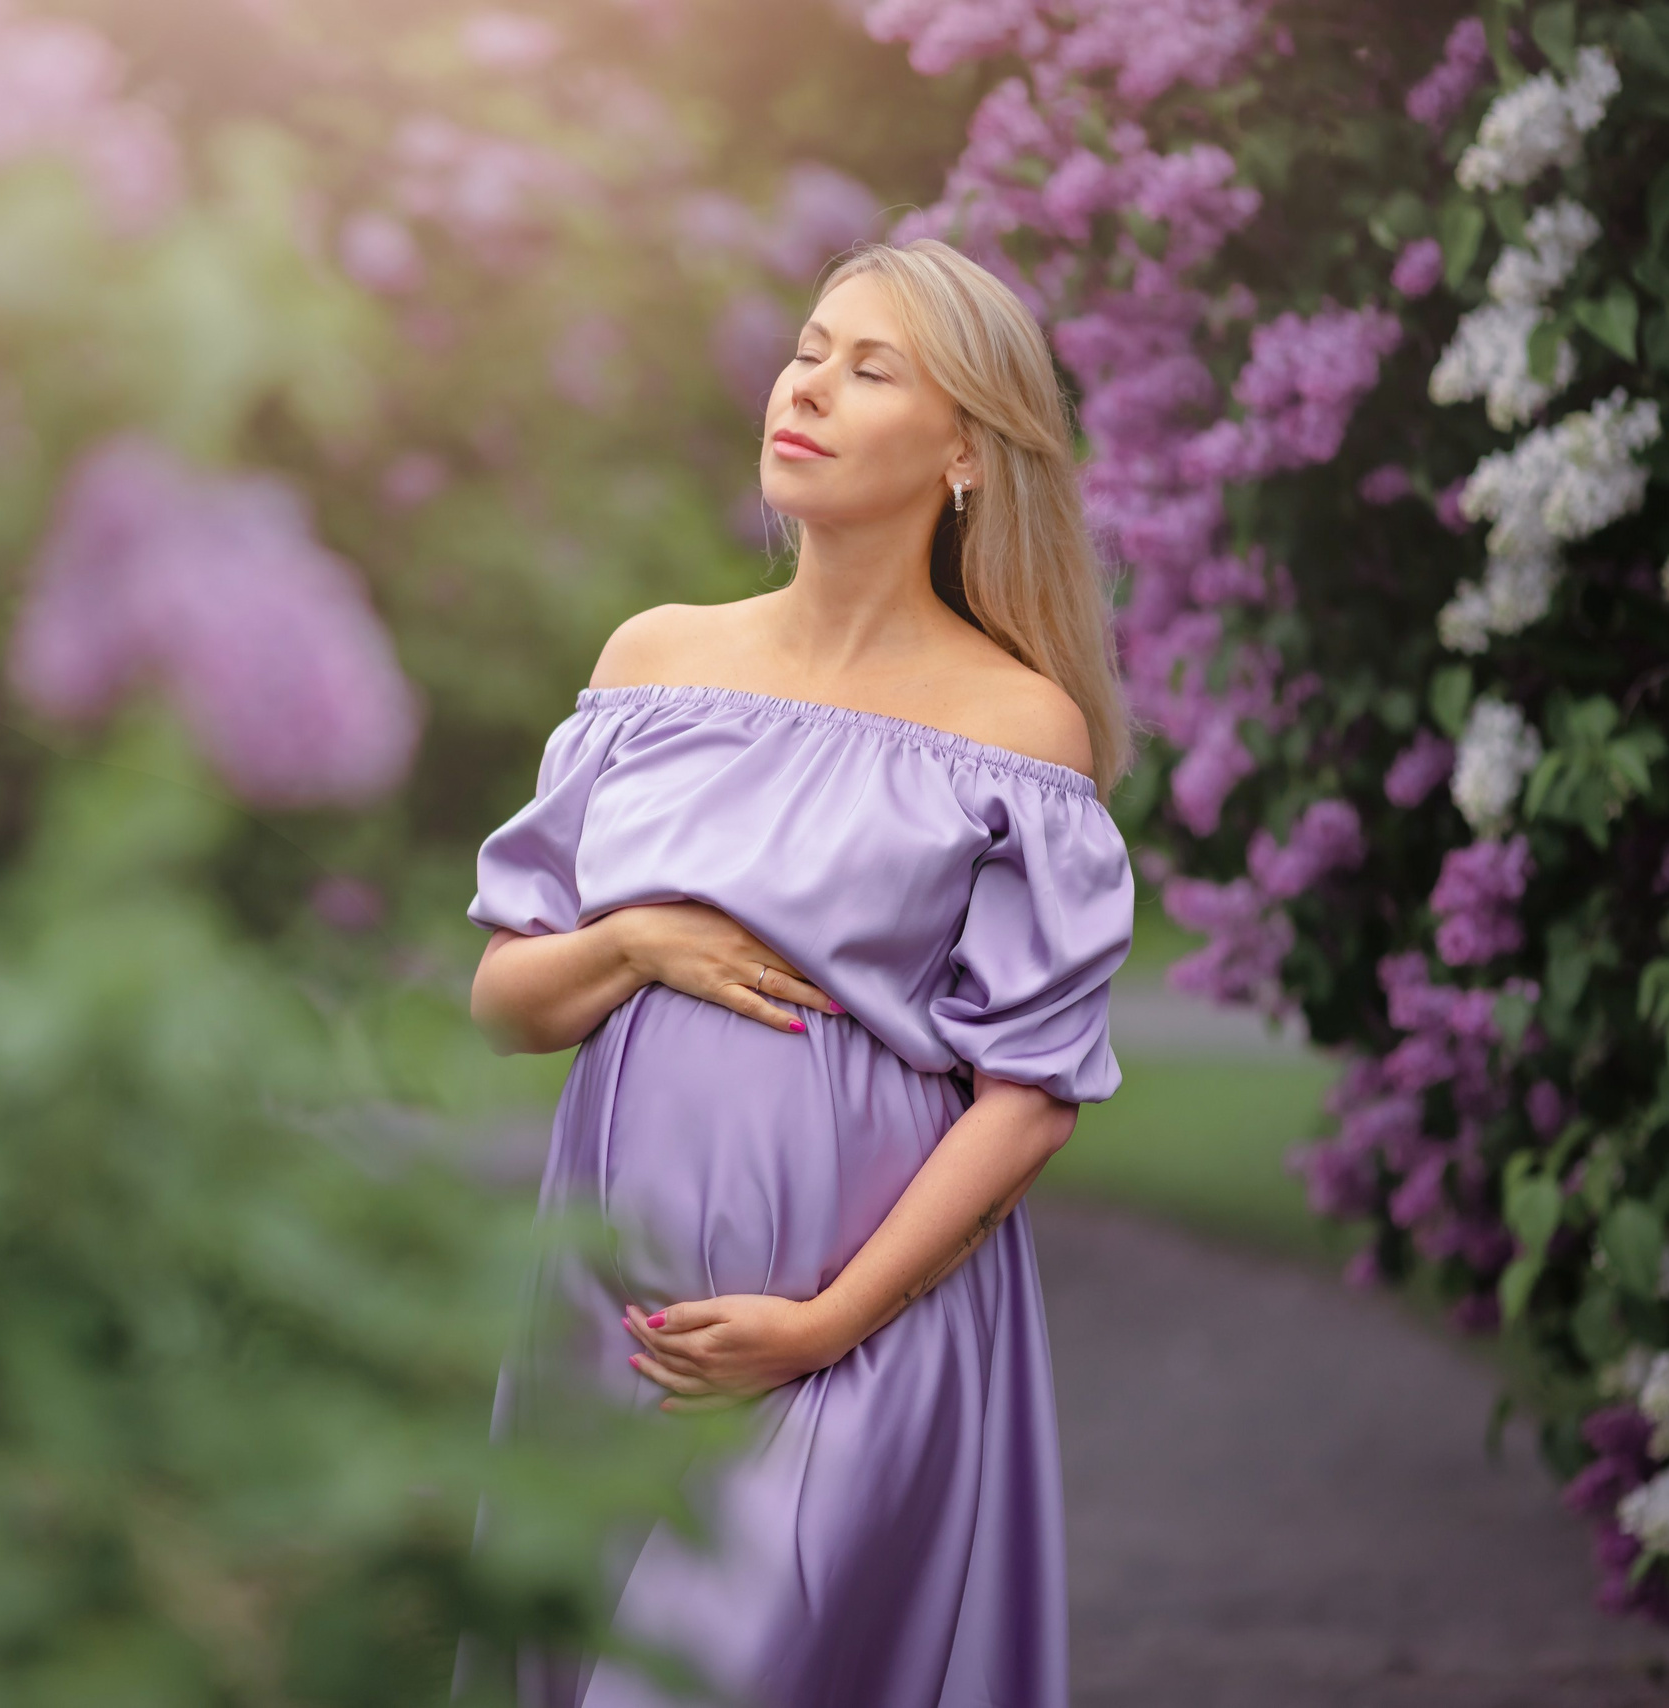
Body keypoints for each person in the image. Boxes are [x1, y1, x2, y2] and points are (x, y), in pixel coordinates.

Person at [459, 238, 1136, 1708]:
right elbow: (504, 1003)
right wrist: (632, 941)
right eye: (809, 350)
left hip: (854, 1343)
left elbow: (1030, 1097)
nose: (808, 388)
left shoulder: (1019, 731)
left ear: (967, 451)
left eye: (870, 368)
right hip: (606, 1328)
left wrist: (824, 1325)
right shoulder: (653, 665)